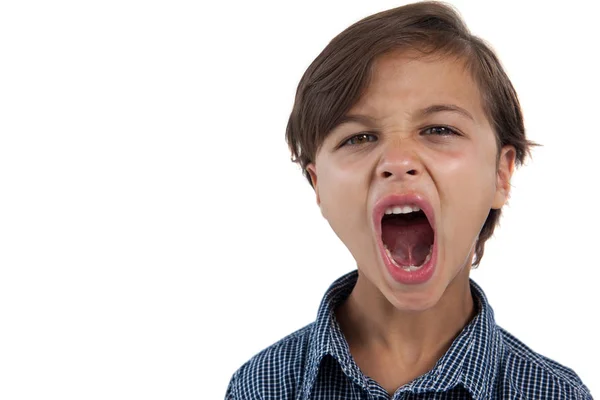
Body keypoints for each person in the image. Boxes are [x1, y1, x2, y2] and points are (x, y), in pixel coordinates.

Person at [225, 2, 592, 399]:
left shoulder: (555, 393)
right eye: (358, 137)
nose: (398, 162)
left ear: (500, 174)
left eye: (438, 129)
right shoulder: (263, 385)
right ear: (318, 187)